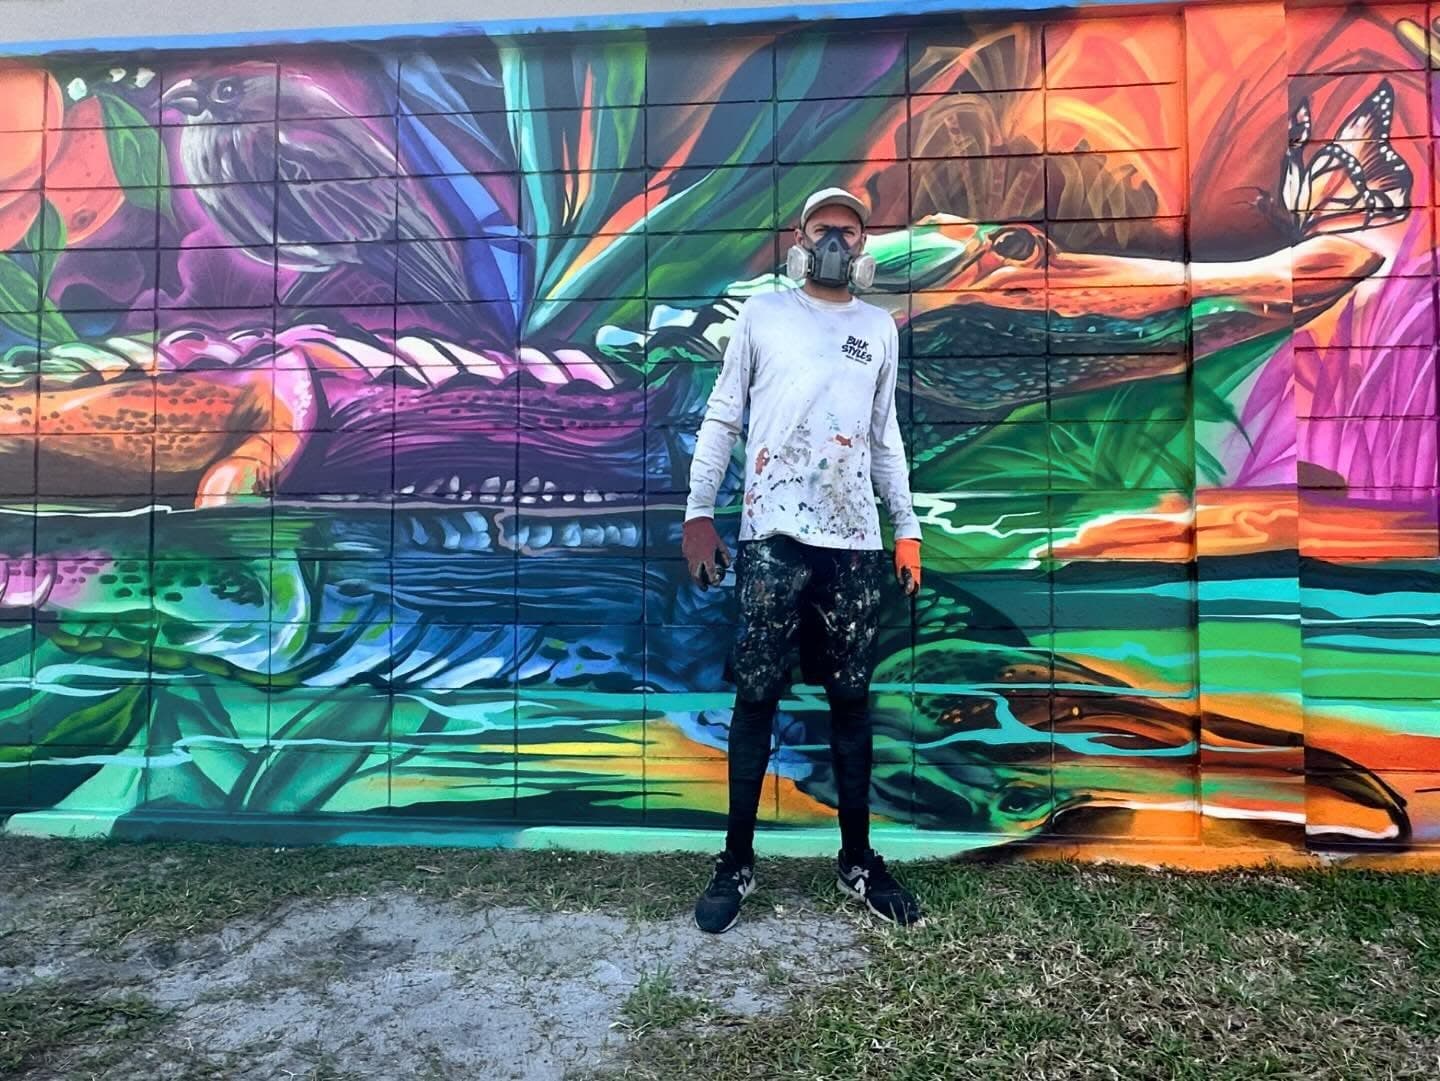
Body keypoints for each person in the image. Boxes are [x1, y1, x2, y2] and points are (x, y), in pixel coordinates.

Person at [682, 187, 924, 934]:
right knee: (756, 698)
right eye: (825, 229)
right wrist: (698, 513)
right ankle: (736, 861)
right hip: (771, 536)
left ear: (863, 246)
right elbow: (723, 414)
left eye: (849, 232)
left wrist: (906, 527)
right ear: (799, 238)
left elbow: (885, 438)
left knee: (852, 701)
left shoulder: (878, 327)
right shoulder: (762, 316)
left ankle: (856, 860)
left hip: (852, 544)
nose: (836, 243)